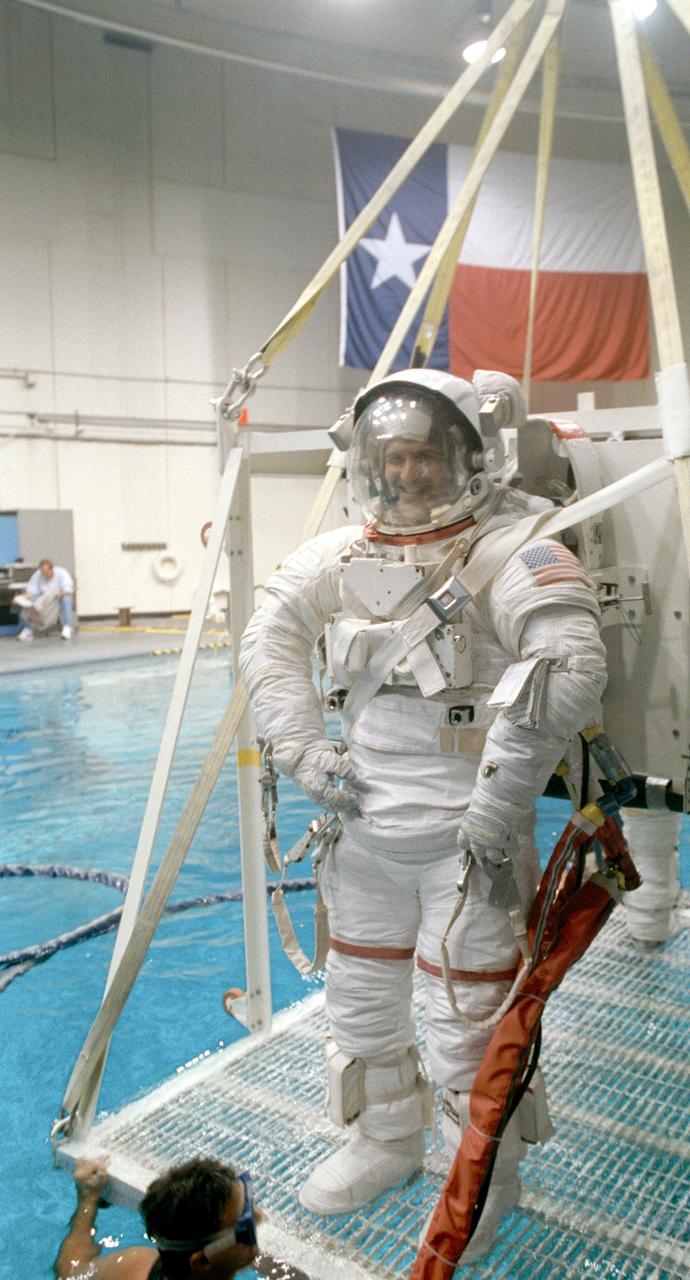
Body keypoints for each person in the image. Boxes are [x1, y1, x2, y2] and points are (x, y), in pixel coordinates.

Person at [239, 367, 607, 1257]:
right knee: (360, 1001)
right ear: (367, 465)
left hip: (468, 842)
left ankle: (483, 1178)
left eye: (424, 457)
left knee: (465, 1021)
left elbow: (568, 666)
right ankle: (387, 1140)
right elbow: (269, 639)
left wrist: (498, 804)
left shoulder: (512, 548)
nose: (406, 475)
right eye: (390, 459)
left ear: (468, 458)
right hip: (362, 828)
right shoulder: (337, 556)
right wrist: (303, 751)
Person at [54, 1154, 306, 1279]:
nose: (260, 1218)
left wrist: (88, 1199)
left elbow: (71, 1269)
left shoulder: (135, 1266)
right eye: (246, 1225)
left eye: (249, 1204)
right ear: (201, 1262)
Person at [15, 558, 75, 641]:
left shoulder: (62, 573)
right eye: (42, 573)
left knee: (66, 599)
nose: (44, 575)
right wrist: (21, 597)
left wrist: (55, 594)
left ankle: (67, 627)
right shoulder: (38, 575)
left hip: (57, 598)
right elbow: (31, 592)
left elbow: (67, 591)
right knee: (29, 601)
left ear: (51, 569)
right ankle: (28, 629)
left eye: (46, 573)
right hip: (43, 600)